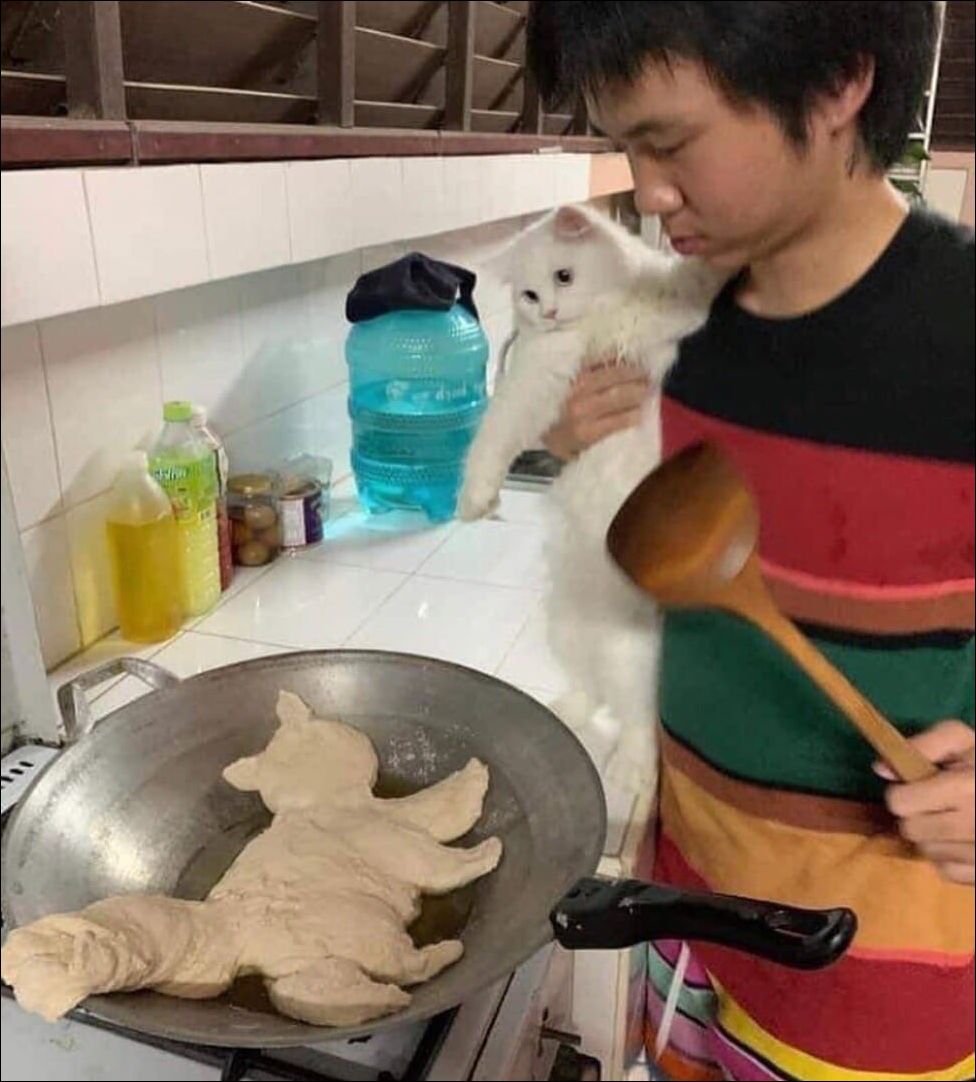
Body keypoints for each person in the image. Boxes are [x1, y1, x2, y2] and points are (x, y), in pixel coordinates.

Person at [526, 3, 974, 1080]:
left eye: (671, 142)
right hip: (689, 921)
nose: (648, 191)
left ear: (838, 83)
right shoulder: (671, 325)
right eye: (624, 146)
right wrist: (577, 448)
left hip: (878, 993)